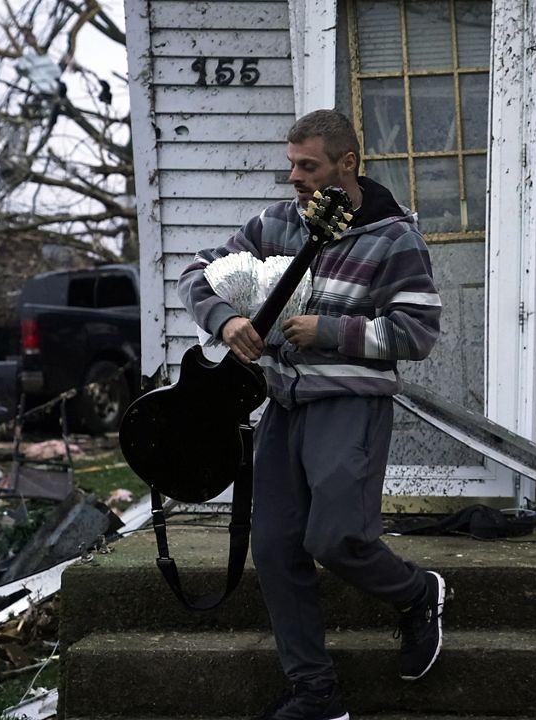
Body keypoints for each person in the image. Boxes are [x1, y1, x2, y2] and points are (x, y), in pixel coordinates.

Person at [177, 109, 445, 720]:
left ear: (347, 163)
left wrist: (329, 330)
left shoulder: (394, 237)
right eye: (291, 164)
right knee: (273, 547)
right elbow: (197, 273)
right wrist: (228, 320)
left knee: (336, 538)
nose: (293, 176)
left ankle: (418, 592)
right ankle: (315, 692)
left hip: (350, 402)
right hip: (282, 402)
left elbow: (419, 332)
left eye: (308, 166)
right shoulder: (274, 224)